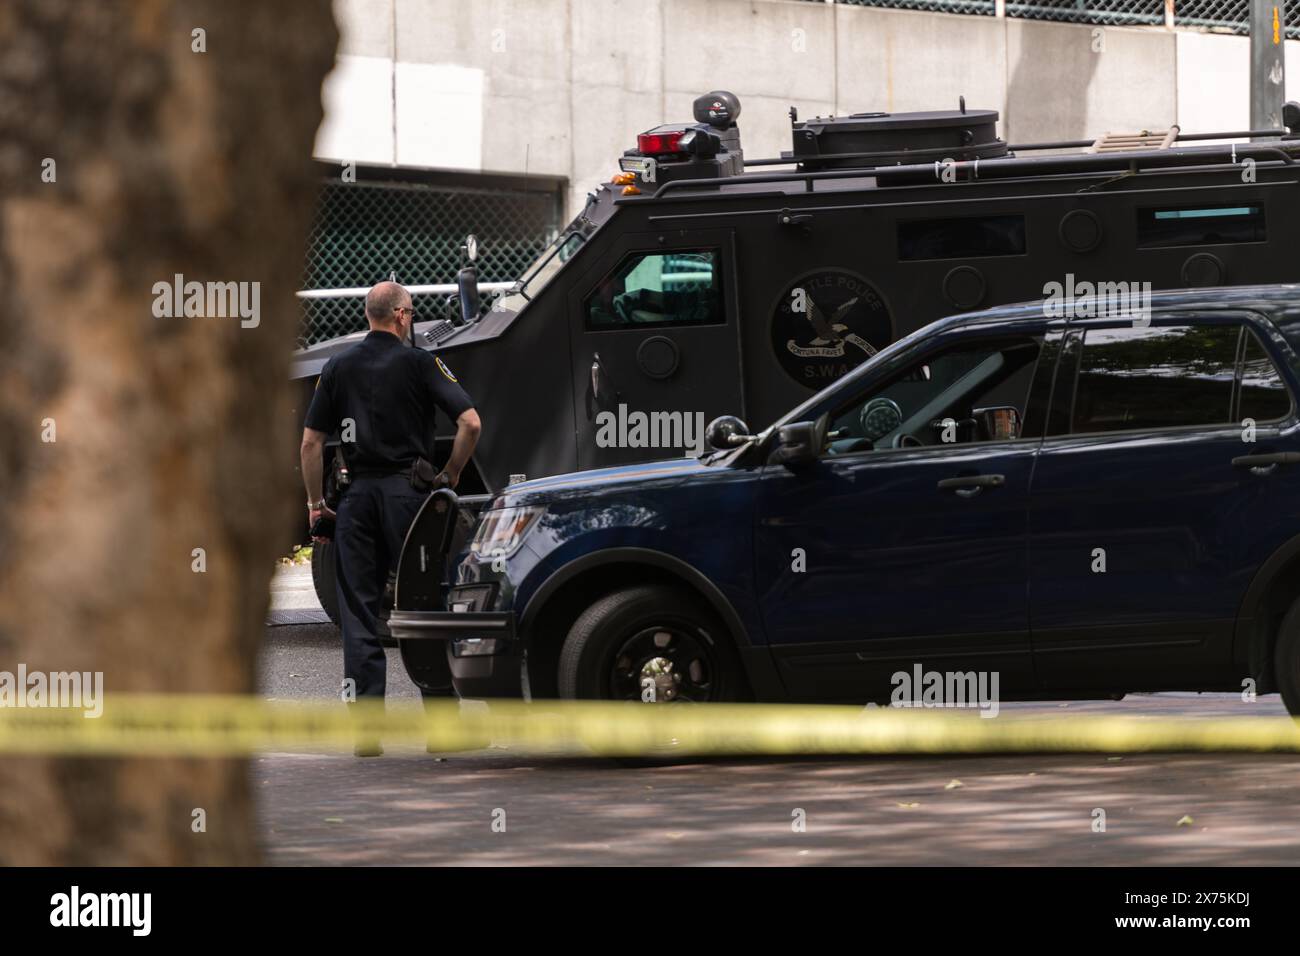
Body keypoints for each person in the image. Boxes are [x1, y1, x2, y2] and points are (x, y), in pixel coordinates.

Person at [300, 281, 481, 756]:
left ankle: (366, 733)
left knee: (359, 612)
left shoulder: (337, 366)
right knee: (425, 604)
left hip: (356, 500)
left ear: (370, 315)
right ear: (401, 315)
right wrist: (450, 474)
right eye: (412, 313)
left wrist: (317, 504)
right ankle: (443, 729)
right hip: (409, 498)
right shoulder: (421, 363)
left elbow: (311, 443)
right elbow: (471, 422)